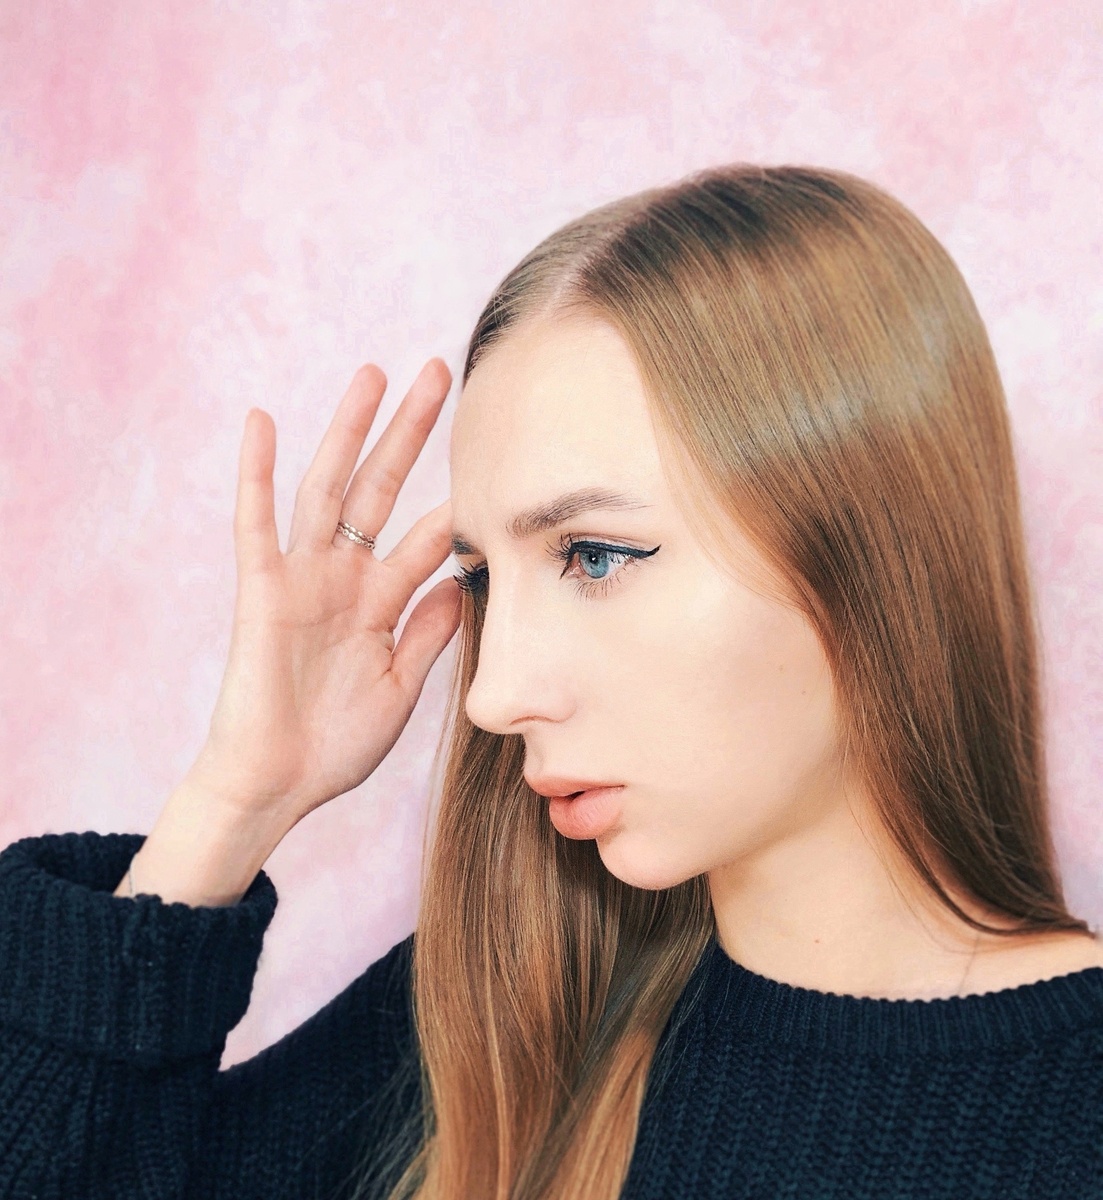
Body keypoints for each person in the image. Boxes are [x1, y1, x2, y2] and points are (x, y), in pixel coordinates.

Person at [2, 164, 1101, 1200]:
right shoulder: (501, 1028)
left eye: (594, 556)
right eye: (481, 578)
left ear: (873, 544)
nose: (490, 696)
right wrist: (236, 800)